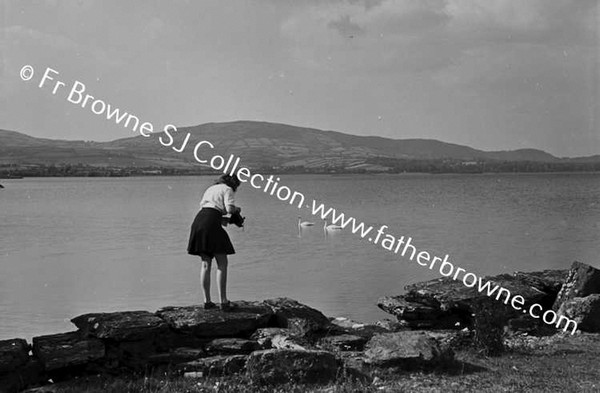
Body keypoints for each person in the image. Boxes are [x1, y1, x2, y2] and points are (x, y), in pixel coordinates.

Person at [187, 174, 242, 311]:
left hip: (199, 221)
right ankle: (223, 302)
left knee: (206, 264)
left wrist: (227, 220)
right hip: (210, 222)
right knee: (222, 263)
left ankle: (207, 301)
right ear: (233, 184)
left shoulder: (211, 189)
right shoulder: (227, 189)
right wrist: (237, 210)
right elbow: (229, 209)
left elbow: (213, 211)